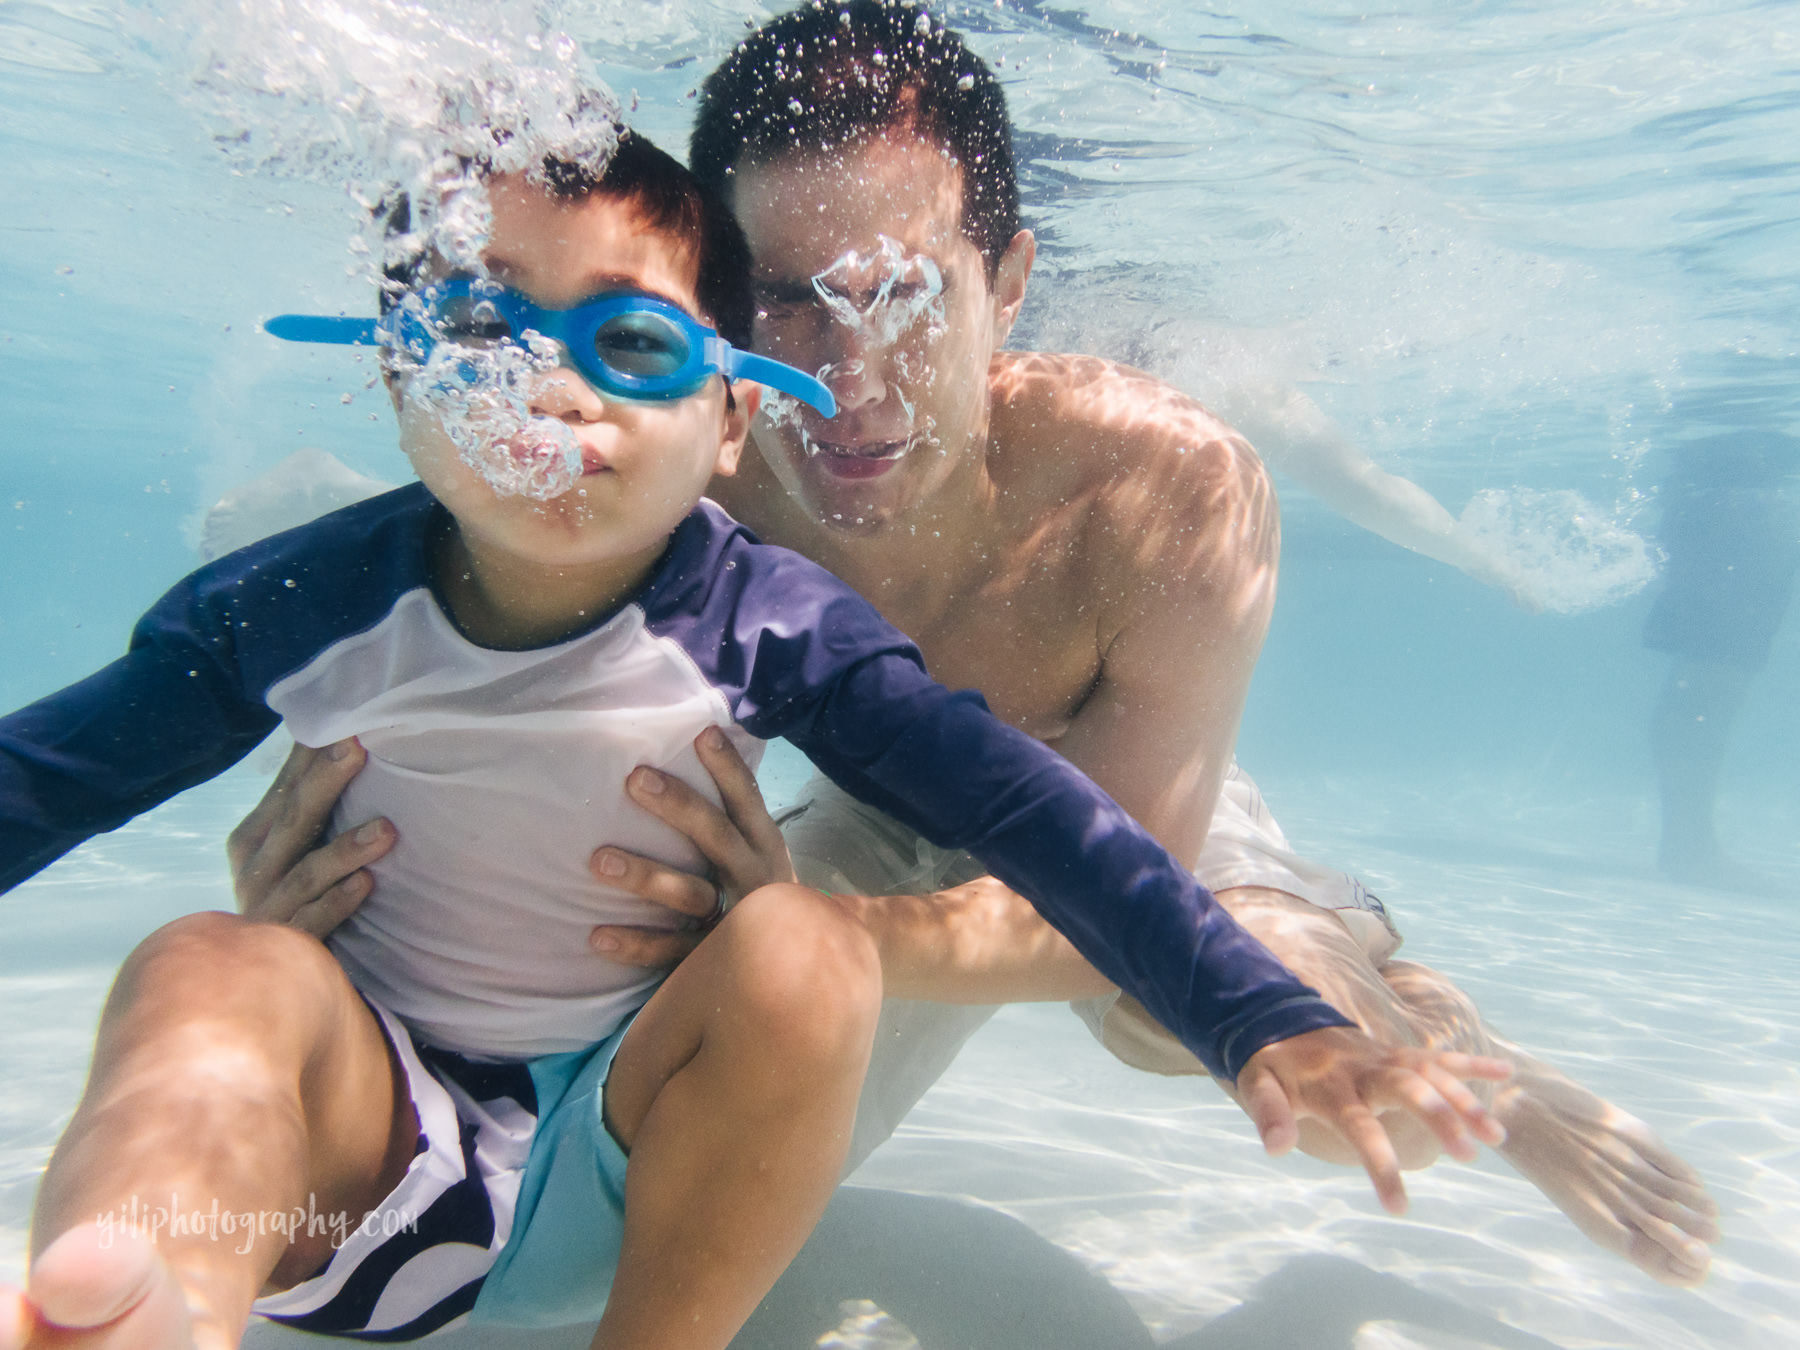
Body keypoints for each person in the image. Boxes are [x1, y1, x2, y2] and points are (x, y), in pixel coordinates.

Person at [216, 0, 1719, 1291]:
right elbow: (452, 666)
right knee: (642, 1101)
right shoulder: (694, 458)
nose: (849, 380)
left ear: (1008, 281)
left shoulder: (1164, 491)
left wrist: (811, 944)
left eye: (907, 296)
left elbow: (1113, 911)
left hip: (1117, 808)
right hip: (881, 800)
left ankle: (1466, 1063)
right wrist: (318, 860)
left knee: (1212, 1036)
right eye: (789, 306)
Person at [0, 132, 1506, 1350]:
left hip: (643, 1179)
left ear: (727, 422)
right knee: (214, 964)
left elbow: (1041, 822)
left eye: (634, 342)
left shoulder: (771, 616)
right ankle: (137, 1296)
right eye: (475, 330)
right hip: (357, 1174)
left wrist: (1255, 1013)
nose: (550, 385)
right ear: (398, 370)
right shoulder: (293, 602)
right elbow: (44, 777)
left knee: (803, 945)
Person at [1643, 428, 1798, 891]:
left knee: (1712, 674)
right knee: (1715, 675)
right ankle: (1691, 849)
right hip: (1743, 491)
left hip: (1735, 482)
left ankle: (1689, 846)